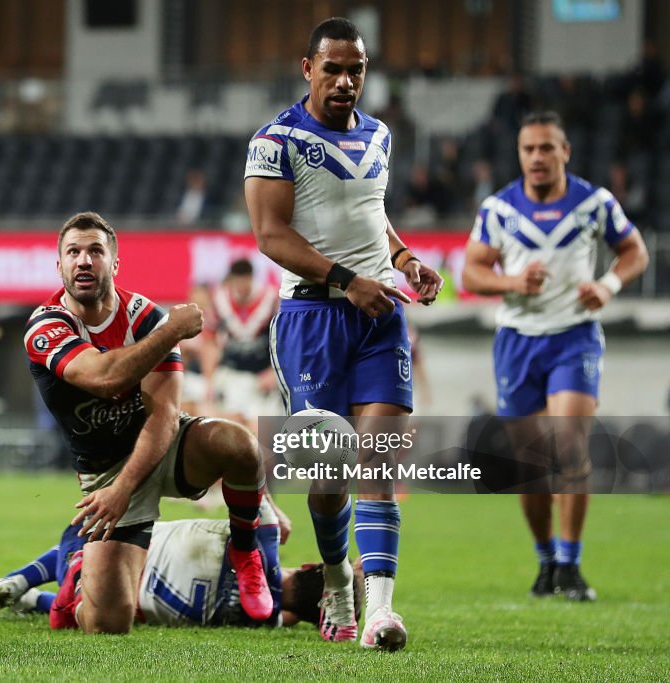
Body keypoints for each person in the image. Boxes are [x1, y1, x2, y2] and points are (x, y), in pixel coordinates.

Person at [243, 17, 443, 651]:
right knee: (327, 481)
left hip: (380, 315)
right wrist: (348, 278)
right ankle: (334, 580)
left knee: (379, 461)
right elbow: (271, 236)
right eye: (333, 68)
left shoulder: (380, 135)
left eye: (356, 69)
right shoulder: (275, 141)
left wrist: (405, 257)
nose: (346, 80)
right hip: (310, 320)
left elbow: (371, 211)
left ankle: (380, 610)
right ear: (308, 69)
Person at [24, 211, 272, 634]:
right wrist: (170, 332)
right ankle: (73, 583)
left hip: (164, 445)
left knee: (241, 445)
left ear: (114, 264)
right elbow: (105, 378)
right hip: (106, 472)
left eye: (96, 251)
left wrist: (162, 329)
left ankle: (245, 552)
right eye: (73, 252)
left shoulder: (143, 317)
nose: (84, 260)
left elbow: (165, 415)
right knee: (107, 625)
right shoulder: (46, 326)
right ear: (60, 265)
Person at [462, 111, 649, 602]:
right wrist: (511, 282)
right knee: (531, 464)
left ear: (565, 151)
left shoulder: (595, 203)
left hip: (575, 337)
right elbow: (472, 274)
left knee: (569, 447)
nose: (538, 157)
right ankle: (546, 560)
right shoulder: (498, 209)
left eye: (547, 148)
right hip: (518, 341)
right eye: (529, 149)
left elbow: (635, 252)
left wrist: (608, 284)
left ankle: (571, 564)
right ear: (519, 154)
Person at [0, 499, 363, 629]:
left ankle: (19, 581)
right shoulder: (264, 618)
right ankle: (28, 600)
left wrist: (274, 511)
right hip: (111, 602)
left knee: (95, 535)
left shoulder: (264, 544)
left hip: (107, 555)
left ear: (310, 565)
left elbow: (250, 483)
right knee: (122, 607)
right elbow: (290, 616)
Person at [207, 258, 282, 432]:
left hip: (261, 376)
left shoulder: (270, 300)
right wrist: (210, 378)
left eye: (245, 280)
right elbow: (209, 341)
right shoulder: (220, 300)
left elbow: (284, 340)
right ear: (231, 279)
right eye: (237, 280)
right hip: (233, 374)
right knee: (231, 426)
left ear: (252, 278)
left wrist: (275, 372)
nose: (241, 286)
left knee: (261, 429)